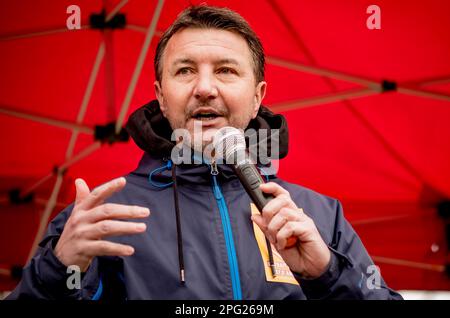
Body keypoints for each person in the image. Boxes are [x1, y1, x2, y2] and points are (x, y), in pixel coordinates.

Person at [8, 5, 402, 300]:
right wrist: (58, 270)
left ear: (257, 97)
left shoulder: (319, 215)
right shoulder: (102, 215)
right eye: (184, 71)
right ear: (162, 97)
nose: (205, 88)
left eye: (227, 70)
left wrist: (328, 274)